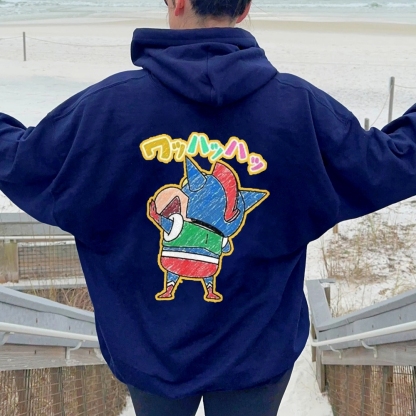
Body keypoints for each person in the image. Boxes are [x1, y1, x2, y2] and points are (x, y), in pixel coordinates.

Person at [1, 0, 415, 414]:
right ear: (244, 7)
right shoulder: (299, 110)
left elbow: (20, 162)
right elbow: (392, 163)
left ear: (177, 2)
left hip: (149, 352)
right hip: (257, 352)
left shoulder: (105, 109)